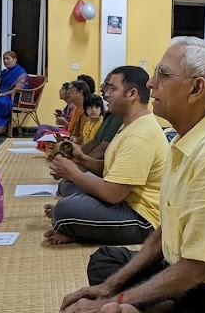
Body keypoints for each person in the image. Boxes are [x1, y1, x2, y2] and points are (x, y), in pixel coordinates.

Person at [54, 37, 205, 313]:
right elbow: (162, 233)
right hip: (189, 286)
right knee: (105, 262)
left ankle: (158, 312)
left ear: (196, 89)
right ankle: (159, 310)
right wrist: (108, 289)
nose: (151, 82)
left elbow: (195, 269)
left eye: (163, 74)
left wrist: (117, 300)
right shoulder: (183, 139)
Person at [45, 66, 167, 246]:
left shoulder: (139, 135)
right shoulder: (128, 125)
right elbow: (114, 171)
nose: (106, 94)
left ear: (132, 94)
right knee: (69, 186)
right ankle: (75, 225)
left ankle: (72, 225)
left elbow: (113, 194)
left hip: (142, 218)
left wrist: (74, 172)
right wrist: (82, 159)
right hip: (123, 201)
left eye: (112, 88)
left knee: (64, 209)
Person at [61, 80, 92, 144]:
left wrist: (73, 139)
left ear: (80, 93)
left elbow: (83, 137)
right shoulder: (75, 109)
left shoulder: (86, 112)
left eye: (70, 90)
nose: (68, 93)